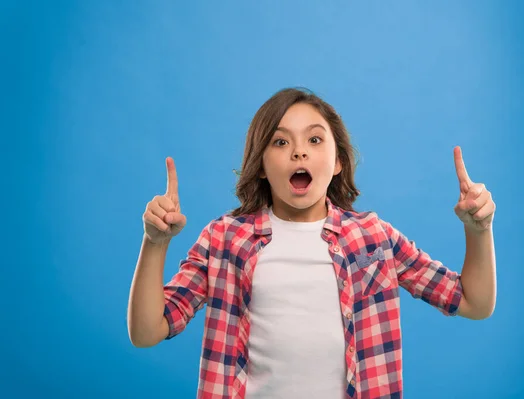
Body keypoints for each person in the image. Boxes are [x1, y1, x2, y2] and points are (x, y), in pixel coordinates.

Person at [127, 87, 497, 399]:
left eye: (315, 139)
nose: (299, 152)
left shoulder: (373, 238)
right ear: (260, 164)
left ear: (337, 161)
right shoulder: (223, 239)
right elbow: (147, 331)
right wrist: (155, 242)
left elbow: (473, 302)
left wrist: (479, 230)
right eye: (280, 141)